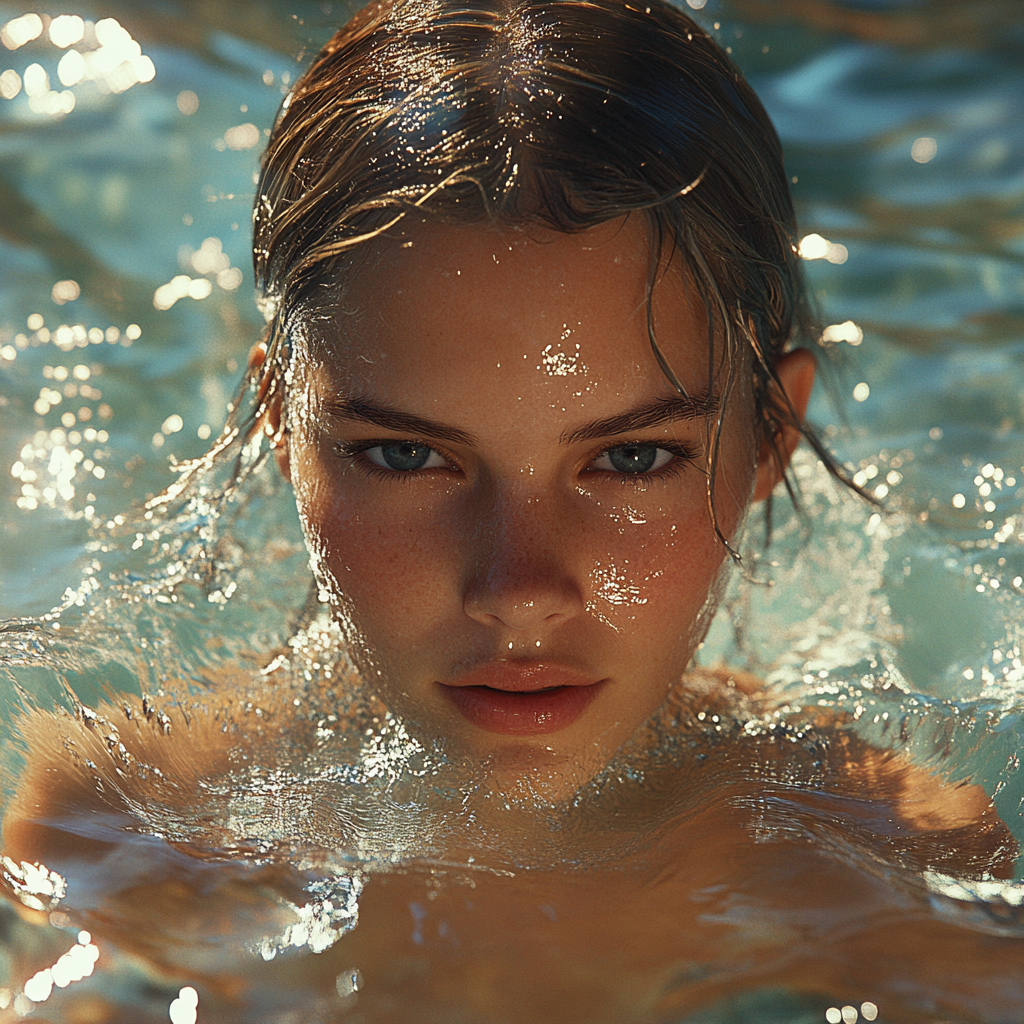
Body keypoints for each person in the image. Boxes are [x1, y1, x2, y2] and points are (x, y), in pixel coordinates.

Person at [2, 0, 1021, 1020]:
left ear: (768, 438)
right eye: (406, 454)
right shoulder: (118, 837)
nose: (519, 594)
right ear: (282, 424)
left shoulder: (890, 869)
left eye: (629, 457)